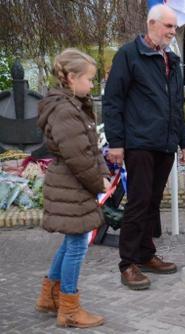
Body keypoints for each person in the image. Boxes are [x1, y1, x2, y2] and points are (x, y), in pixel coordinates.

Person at [103, 4, 185, 290]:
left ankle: (145, 254)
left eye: (174, 27)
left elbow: (176, 105)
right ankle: (127, 263)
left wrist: (184, 140)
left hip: (165, 144)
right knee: (139, 202)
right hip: (139, 142)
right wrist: (116, 142)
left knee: (152, 203)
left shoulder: (173, 61)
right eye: (168, 26)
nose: (172, 31)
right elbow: (113, 100)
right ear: (151, 24)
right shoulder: (129, 55)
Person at [36, 48, 109, 328]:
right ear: (70, 77)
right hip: (71, 185)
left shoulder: (73, 105)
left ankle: (48, 297)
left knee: (72, 242)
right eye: (89, 79)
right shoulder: (65, 110)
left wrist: (101, 173)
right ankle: (68, 308)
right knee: (77, 244)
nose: (92, 85)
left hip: (71, 184)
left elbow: (90, 148)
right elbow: (78, 157)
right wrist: (98, 182)